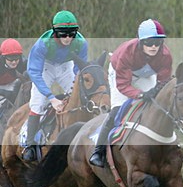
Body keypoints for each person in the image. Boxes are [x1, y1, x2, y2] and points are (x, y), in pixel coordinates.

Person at [89, 19, 173, 167]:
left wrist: (156, 91)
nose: (154, 46)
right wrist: (140, 95)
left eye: (158, 43)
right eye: (149, 42)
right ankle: (98, 151)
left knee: (157, 108)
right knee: (117, 110)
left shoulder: (165, 55)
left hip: (146, 75)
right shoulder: (127, 53)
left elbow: (164, 81)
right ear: (141, 42)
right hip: (120, 75)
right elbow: (123, 85)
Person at [22, 10, 89, 161]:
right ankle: (30, 145)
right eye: (63, 34)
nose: (67, 38)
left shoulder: (81, 43)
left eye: (71, 33)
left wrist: (75, 89)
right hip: (45, 67)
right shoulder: (43, 44)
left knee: (80, 96)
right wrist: (51, 98)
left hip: (66, 66)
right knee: (38, 103)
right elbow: (34, 72)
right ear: (54, 32)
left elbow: (81, 71)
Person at [0, 38, 27, 106]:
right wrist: (4, 92)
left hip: (12, 83)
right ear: (3, 57)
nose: (14, 62)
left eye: (16, 58)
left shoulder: (23, 63)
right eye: (10, 59)